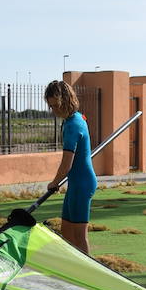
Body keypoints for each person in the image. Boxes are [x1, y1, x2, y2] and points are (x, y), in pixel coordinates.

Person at [44, 80, 97, 254]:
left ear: (66, 100)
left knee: (79, 235)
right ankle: (73, 269)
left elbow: (68, 162)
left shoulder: (74, 124)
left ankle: (88, 274)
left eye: (55, 105)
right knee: (67, 231)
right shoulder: (71, 120)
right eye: (51, 107)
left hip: (82, 184)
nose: (54, 110)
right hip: (75, 183)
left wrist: (55, 182)